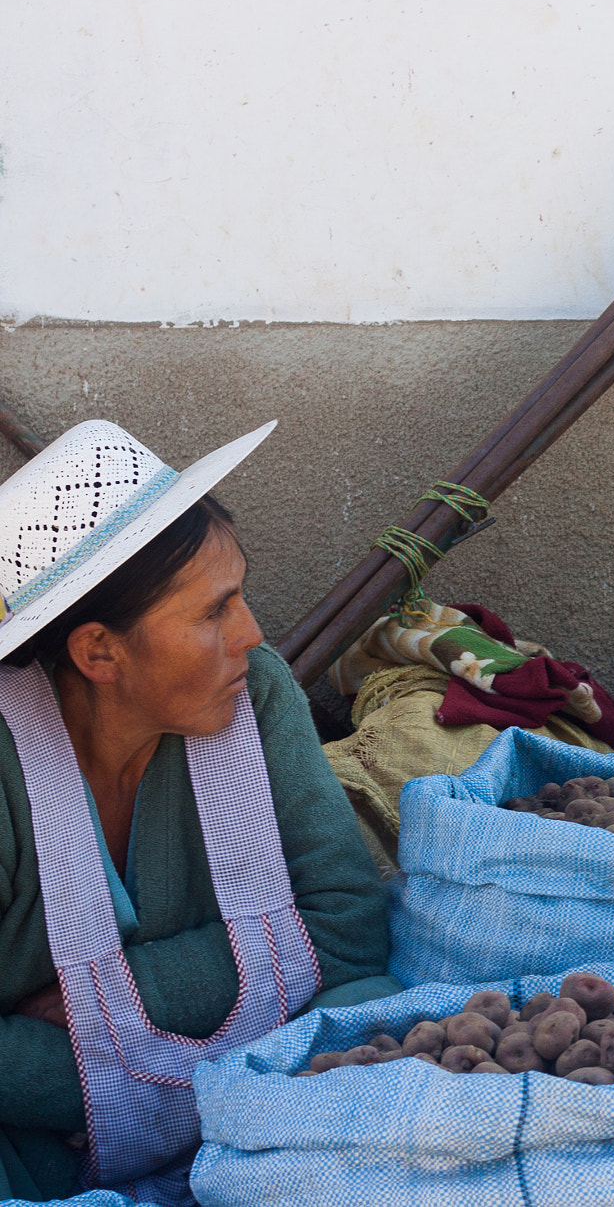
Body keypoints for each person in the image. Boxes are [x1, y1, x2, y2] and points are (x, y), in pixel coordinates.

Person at [0, 420, 398, 1204]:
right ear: (98, 654)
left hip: (253, 1077)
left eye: (240, 595)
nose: (251, 633)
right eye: (215, 612)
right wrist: (141, 1083)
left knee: (379, 1016)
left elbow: (349, 928)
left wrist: (129, 1007)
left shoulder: (256, 693)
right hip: (41, 1128)